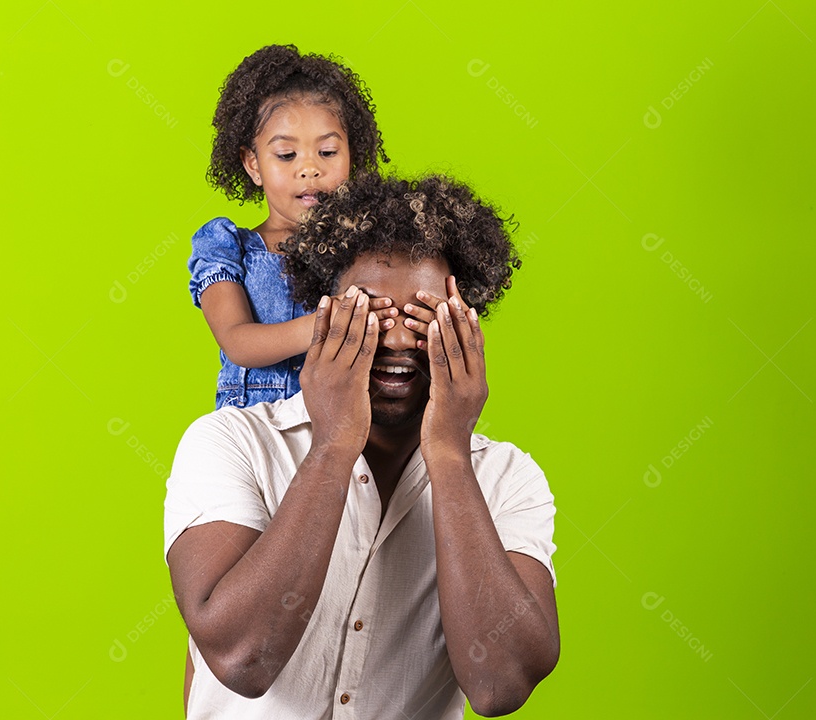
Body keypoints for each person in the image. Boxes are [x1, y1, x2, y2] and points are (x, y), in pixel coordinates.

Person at [165, 174, 559, 719]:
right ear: (324, 314)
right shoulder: (230, 444)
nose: (398, 341)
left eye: (425, 319)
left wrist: (448, 453)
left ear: (465, 324)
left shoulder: (507, 477)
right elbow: (242, 659)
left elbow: (500, 686)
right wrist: (332, 445)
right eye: (372, 314)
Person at [188, 44, 395, 410]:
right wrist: (328, 322)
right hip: (253, 431)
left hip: (342, 426)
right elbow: (238, 342)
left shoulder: (367, 247)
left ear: (353, 155)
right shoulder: (225, 245)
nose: (309, 168)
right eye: (287, 155)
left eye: (328, 152)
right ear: (252, 164)